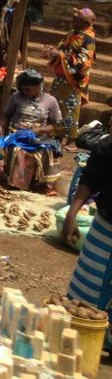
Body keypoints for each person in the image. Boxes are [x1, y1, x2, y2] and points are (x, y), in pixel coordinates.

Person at [62, 136, 112, 346]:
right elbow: (88, 182)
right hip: (105, 230)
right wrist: (71, 215)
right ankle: (81, 337)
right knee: (86, 293)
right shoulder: (108, 147)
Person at [0, 69, 62, 193]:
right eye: (23, 89)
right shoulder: (16, 97)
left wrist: (41, 130)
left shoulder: (51, 101)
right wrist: (1, 126)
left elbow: (57, 125)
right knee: (17, 150)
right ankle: (17, 183)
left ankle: (42, 184)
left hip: (39, 136)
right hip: (17, 135)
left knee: (47, 150)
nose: (25, 92)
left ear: (39, 87)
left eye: (28, 89)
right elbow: (6, 114)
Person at [45, 7, 97, 148]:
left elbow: (84, 62)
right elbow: (63, 49)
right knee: (58, 107)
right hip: (61, 77)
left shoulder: (87, 39)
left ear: (84, 23)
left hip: (73, 81)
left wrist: (60, 55)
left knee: (71, 109)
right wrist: (54, 51)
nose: (73, 21)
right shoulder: (72, 34)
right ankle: (59, 135)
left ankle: (72, 140)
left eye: (76, 20)